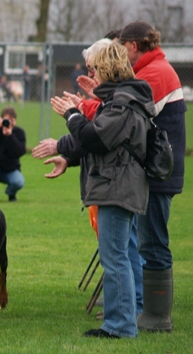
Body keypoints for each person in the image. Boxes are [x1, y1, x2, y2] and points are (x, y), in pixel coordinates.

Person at [32, 38, 145, 321]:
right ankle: (122, 320)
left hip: (117, 185)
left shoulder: (122, 101)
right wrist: (86, 108)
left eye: (94, 69)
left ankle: (121, 324)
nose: (91, 73)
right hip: (115, 184)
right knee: (117, 256)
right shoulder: (120, 98)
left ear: (107, 67)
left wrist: (72, 114)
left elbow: (94, 137)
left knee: (116, 258)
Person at [119, 21, 186, 333]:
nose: (121, 53)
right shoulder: (152, 69)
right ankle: (151, 313)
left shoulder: (155, 73)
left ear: (133, 45)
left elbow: (128, 117)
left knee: (154, 243)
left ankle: (157, 316)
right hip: (158, 173)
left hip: (160, 175)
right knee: (149, 242)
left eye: (122, 47)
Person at [0, 106, 26, 202]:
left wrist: (10, 136)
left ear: (14, 121)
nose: (8, 123)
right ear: (1, 119)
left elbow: (19, 152)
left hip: (10, 169)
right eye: (6, 120)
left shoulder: (18, 133)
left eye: (11, 120)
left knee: (19, 182)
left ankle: (11, 194)